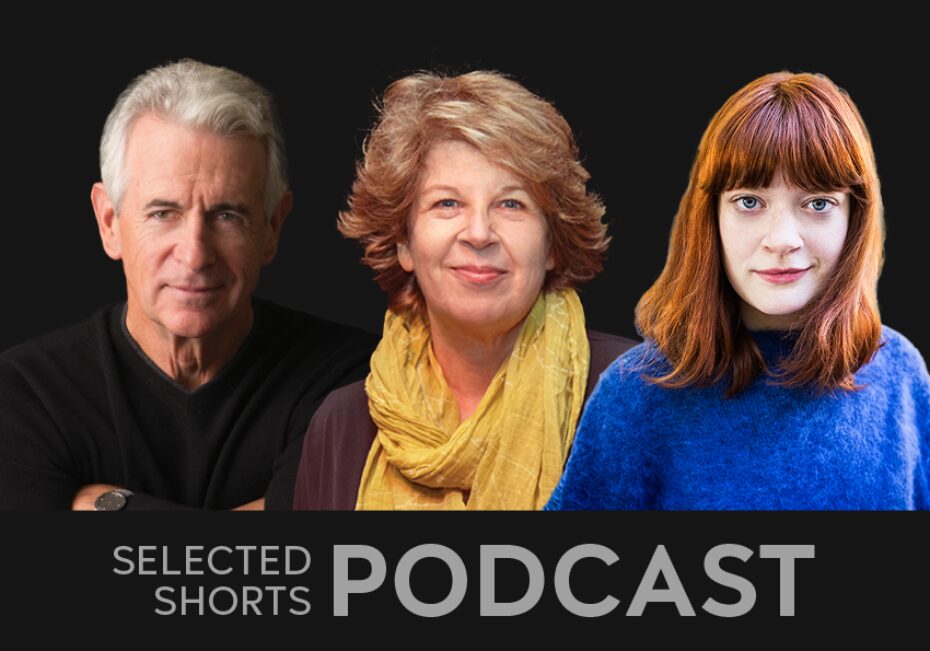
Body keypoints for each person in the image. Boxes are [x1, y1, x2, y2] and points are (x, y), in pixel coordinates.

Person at [0, 59, 376, 510]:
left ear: (272, 227)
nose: (195, 253)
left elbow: (309, 569)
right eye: (163, 213)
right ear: (109, 223)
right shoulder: (23, 395)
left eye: (227, 215)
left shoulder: (351, 381)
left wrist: (112, 507)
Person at [546, 72, 930, 510]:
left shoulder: (900, 373)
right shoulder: (637, 394)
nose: (782, 239)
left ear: (854, 220)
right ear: (710, 218)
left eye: (818, 203)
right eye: (750, 202)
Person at [293, 71, 636, 510]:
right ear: (404, 243)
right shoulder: (342, 426)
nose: (478, 233)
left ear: (553, 243)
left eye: (511, 204)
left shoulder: (638, 392)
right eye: (447, 203)